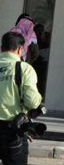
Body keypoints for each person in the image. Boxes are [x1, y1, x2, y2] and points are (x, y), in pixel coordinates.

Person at [0, 31, 43, 165]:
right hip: (13, 131)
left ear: (1, 48)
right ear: (20, 49)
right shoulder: (25, 69)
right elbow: (32, 102)